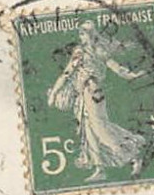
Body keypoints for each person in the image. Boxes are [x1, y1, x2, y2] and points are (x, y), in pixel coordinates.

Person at [47, 20, 147, 183]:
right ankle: (99, 169)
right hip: (83, 96)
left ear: (92, 35)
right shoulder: (82, 52)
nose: (82, 37)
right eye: (81, 33)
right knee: (90, 133)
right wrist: (55, 92)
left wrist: (130, 75)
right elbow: (67, 73)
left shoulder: (97, 50)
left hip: (93, 94)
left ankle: (134, 157)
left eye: (84, 33)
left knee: (101, 129)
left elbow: (114, 66)